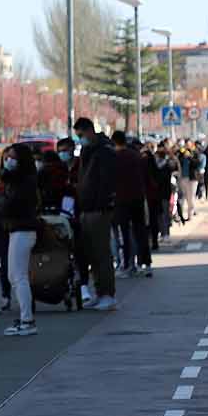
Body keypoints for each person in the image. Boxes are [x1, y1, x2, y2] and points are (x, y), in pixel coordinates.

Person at [71, 118, 118, 310]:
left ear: (90, 131)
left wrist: (100, 204)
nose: (80, 139)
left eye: (81, 135)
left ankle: (107, 294)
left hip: (98, 209)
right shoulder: (88, 151)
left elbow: (106, 182)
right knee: (92, 253)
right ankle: (100, 292)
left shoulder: (104, 151)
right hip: (87, 208)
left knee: (101, 253)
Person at [0, 144, 41, 337]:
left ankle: (27, 320)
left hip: (22, 229)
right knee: (14, 276)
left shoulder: (24, 181)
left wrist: (1, 202)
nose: (8, 160)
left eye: (13, 157)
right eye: (7, 157)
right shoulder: (16, 180)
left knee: (18, 276)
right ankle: (25, 318)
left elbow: (11, 205)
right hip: (18, 229)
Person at [108, 131, 153, 278]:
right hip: (138, 198)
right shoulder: (136, 156)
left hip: (121, 200)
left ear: (114, 142)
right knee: (141, 232)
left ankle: (128, 265)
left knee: (125, 234)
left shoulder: (114, 158)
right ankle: (146, 264)